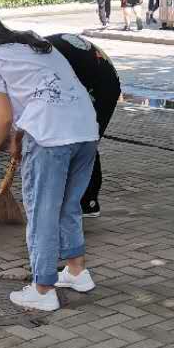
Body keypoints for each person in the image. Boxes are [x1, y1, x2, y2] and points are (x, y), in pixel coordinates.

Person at [0, 1, 100, 313]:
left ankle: (43, 289)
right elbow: (35, 95)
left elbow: (3, 117)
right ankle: (77, 271)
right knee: (68, 205)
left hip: (50, 137)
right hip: (86, 130)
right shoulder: (32, 42)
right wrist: (17, 139)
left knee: (42, 213)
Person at [46, 33, 120, 218]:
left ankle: (88, 201)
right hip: (83, 80)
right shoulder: (24, 53)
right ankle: (70, 197)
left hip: (101, 84)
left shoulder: (29, 60)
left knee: (85, 140)